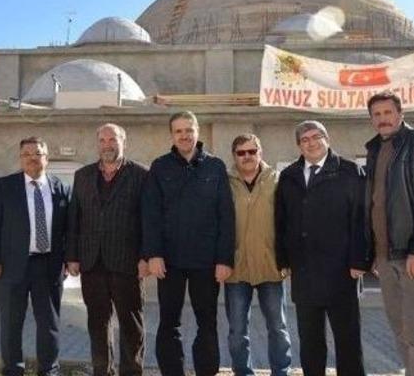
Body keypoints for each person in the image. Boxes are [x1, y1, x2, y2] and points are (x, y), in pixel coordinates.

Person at [141, 111, 235, 376]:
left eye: (189, 130)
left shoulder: (215, 167)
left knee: (207, 322)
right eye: (179, 131)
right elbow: (151, 213)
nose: (184, 135)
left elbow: (226, 215)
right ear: (172, 135)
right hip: (169, 261)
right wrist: (154, 254)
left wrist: (224, 259)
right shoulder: (160, 167)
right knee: (169, 322)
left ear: (197, 132)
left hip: (206, 262)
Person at [276, 121, 367, 376]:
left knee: (347, 340)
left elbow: (361, 219)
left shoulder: (349, 171)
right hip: (304, 270)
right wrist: (283, 260)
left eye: (316, 137)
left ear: (327, 139)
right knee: (310, 340)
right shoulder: (290, 175)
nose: (311, 143)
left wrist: (360, 260)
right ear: (299, 145)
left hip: (341, 271)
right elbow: (281, 220)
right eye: (304, 139)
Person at [364, 91, 414, 376]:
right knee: (398, 328)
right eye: (377, 114)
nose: (382, 119)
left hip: (412, 255)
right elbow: (374, 203)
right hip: (384, 258)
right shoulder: (374, 149)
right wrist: (373, 253)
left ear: (400, 113)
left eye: (387, 112)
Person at [66, 123, 150, 376]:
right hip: (92, 262)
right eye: (102, 140)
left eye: (112, 140)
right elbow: (74, 219)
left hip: (127, 262)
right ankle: (102, 371)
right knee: (97, 323)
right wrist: (72, 256)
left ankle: (131, 371)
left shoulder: (141, 175)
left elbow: (149, 220)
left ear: (124, 142)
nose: (107, 145)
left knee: (130, 323)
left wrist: (146, 257)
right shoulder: (82, 175)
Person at [0, 136, 71, 376]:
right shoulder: (3, 187)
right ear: (20, 158)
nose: (33, 158)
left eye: (38, 153)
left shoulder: (61, 188)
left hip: (49, 267)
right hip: (11, 267)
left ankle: (49, 370)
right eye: (27, 154)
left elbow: (69, 229)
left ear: (47, 158)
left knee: (49, 325)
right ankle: (13, 370)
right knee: (11, 325)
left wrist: (69, 258)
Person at [224, 133, 291, 376]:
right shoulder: (225, 182)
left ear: (260, 152)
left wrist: (287, 258)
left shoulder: (278, 180)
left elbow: (289, 222)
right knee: (237, 330)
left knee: (278, 327)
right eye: (241, 153)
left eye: (252, 151)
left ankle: (281, 371)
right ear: (234, 156)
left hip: (270, 266)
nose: (247, 157)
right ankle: (243, 371)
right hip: (236, 268)